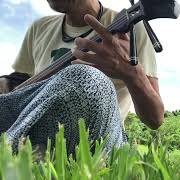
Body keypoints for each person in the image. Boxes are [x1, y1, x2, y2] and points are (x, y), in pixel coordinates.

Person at [0, 0, 164, 154]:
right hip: (39, 130)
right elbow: (18, 93)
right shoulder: (39, 28)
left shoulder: (133, 30)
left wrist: (131, 73)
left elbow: (155, 119)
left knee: (86, 78)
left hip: (101, 139)